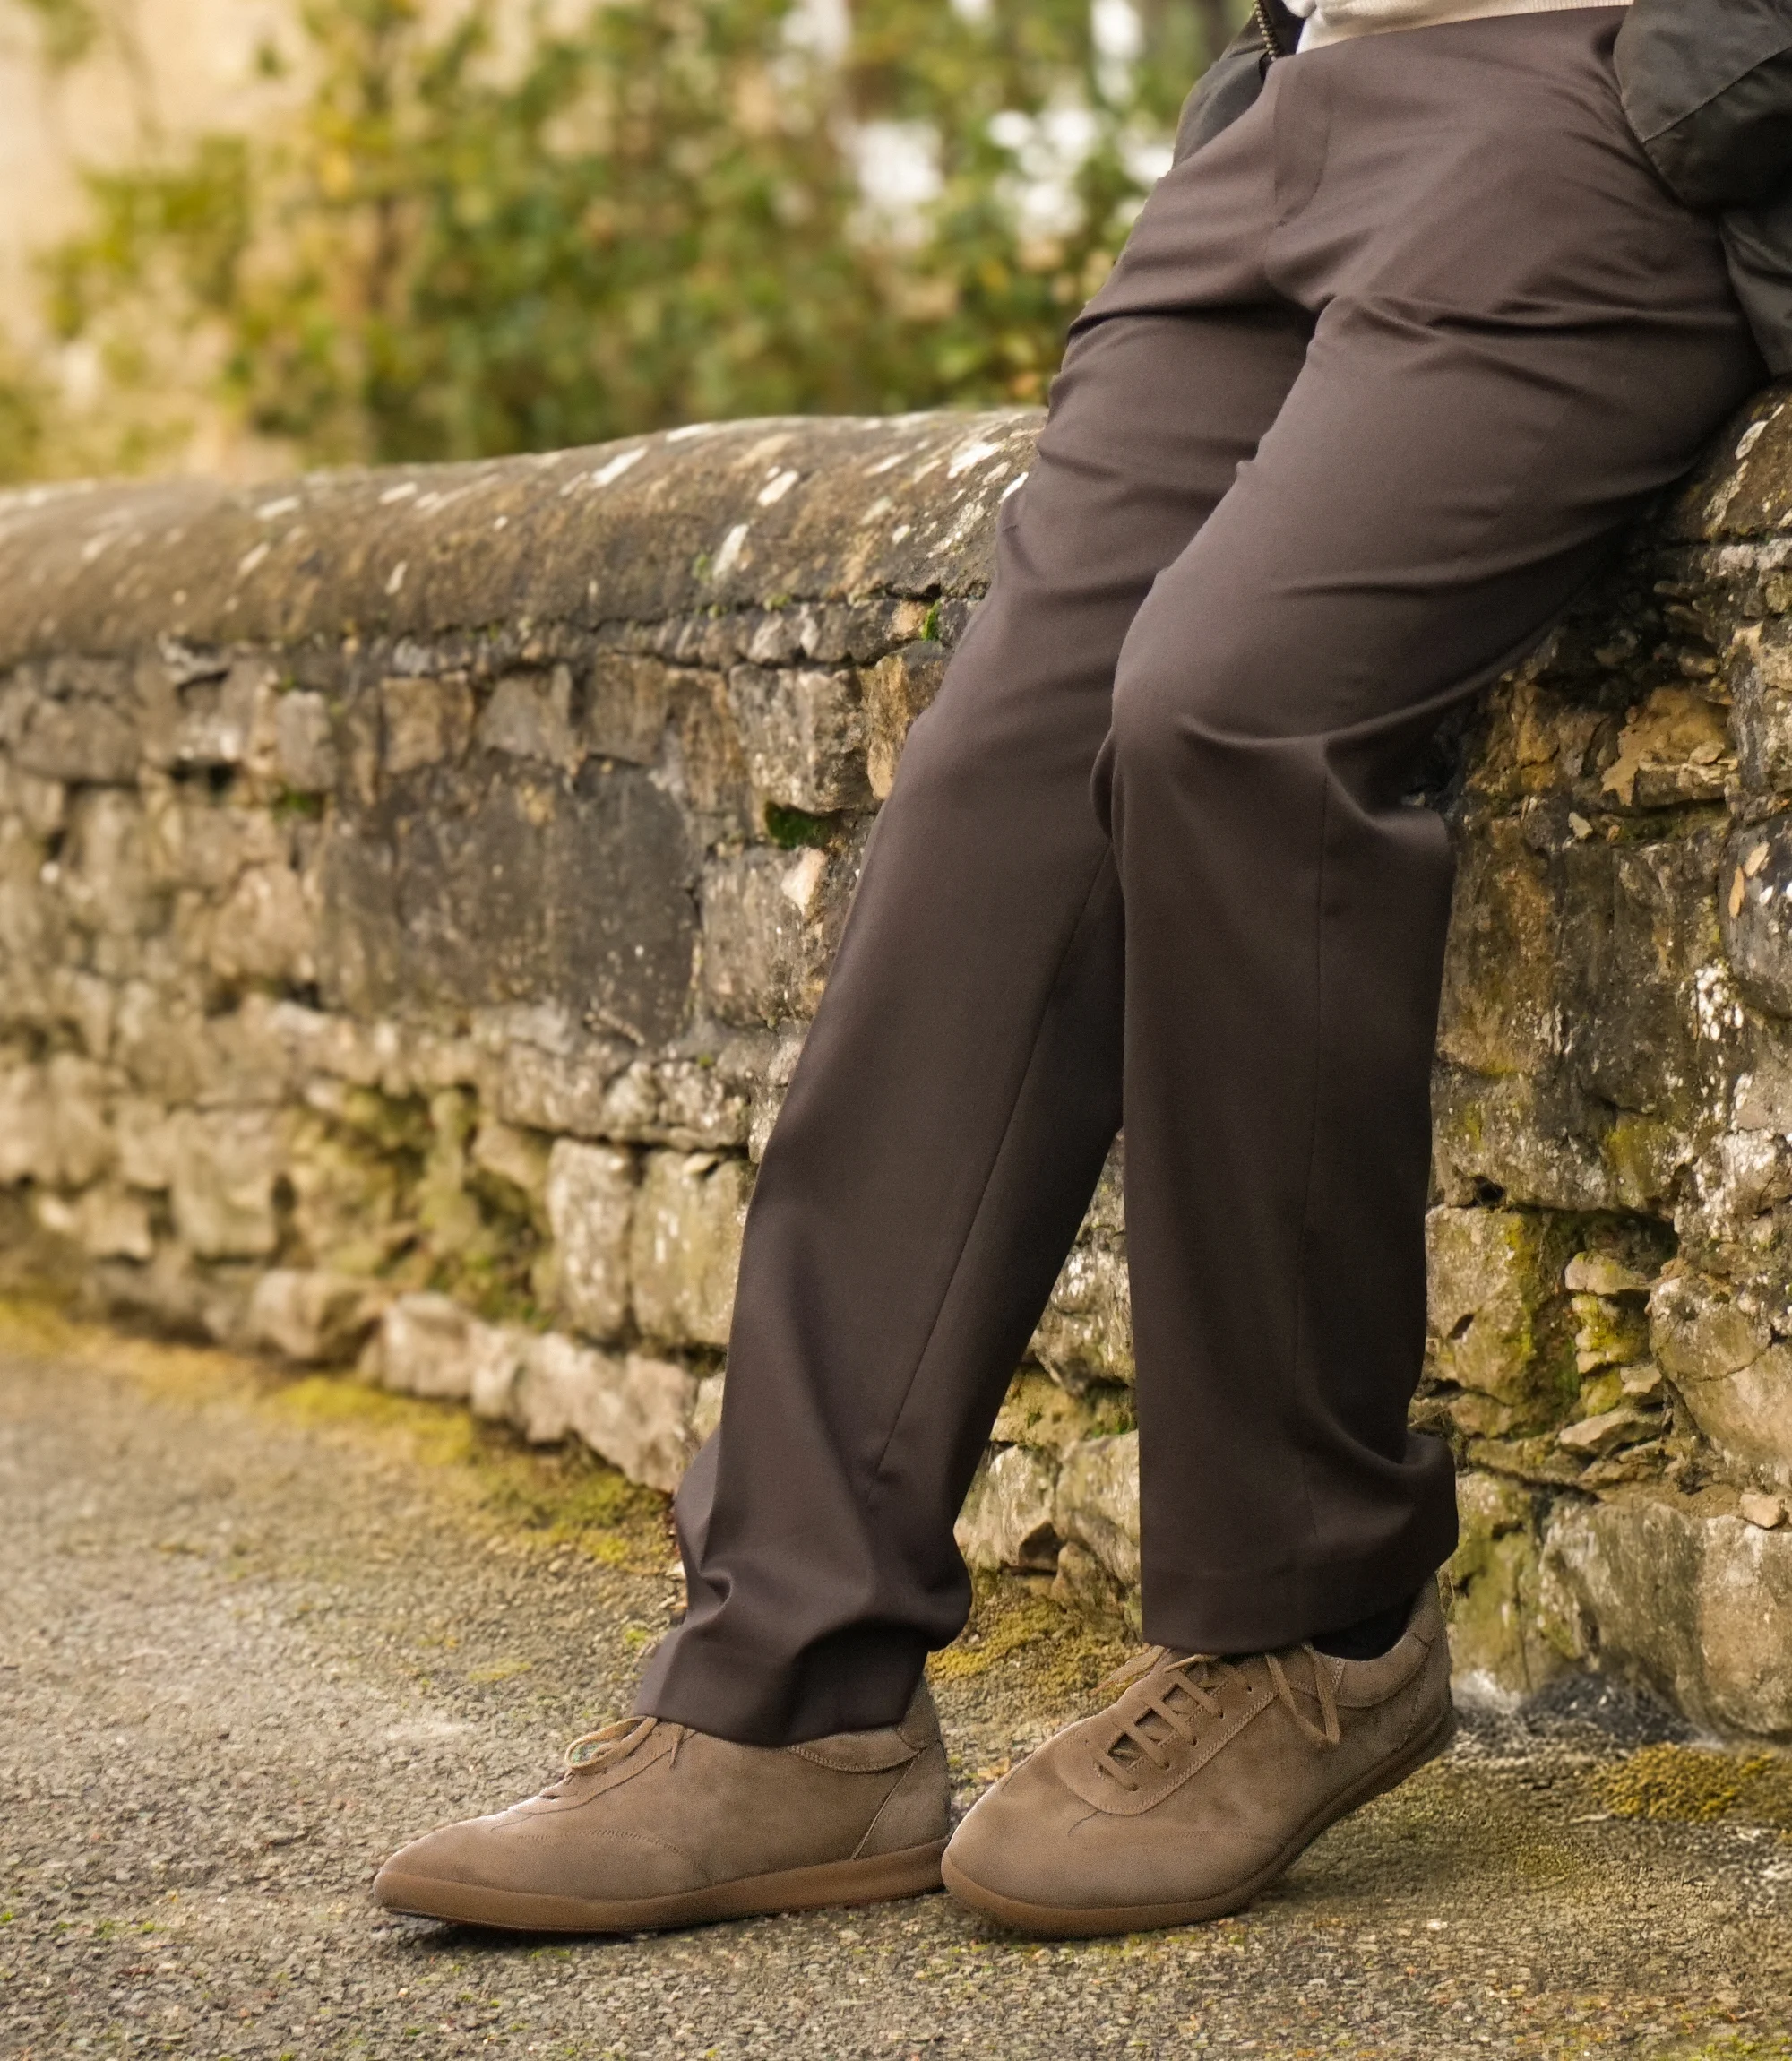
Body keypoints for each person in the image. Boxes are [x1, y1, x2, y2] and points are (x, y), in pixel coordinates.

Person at [374, 0, 1790, 1939]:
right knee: (997, 774)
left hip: (1582, 111)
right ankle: (792, 1688)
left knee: (1229, 715)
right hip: (1289, 104)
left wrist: (1701, 79)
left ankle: (1310, 1619)